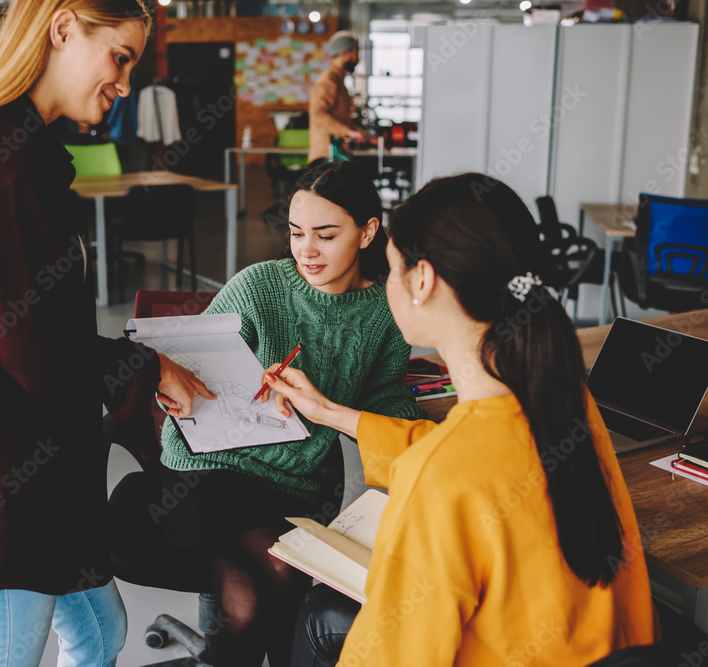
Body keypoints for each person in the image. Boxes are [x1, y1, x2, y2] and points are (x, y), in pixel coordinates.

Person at [0, 2, 215, 666]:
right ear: (63, 28)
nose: (125, 85)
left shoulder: (15, 146)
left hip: (35, 468)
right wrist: (147, 367)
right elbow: (34, 350)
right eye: (120, 57)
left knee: (100, 635)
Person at [264, 173, 659, 666]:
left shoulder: (443, 476)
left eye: (390, 269)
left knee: (320, 613)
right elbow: (474, 455)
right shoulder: (564, 397)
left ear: (422, 280)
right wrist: (329, 413)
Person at [157, 160, 423, 666]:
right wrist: (176, 392)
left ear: (367, 232)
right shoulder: (260, 286)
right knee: (283, 578)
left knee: (249, 604)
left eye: (326, 234)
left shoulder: (386, 309)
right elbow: (183, 371)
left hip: (290, 483)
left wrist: (417, 428)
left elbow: (384, 390)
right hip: (208, 470)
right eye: (297, 233)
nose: (307, 250)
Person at [307, 31, 369, 166]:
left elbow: (337, 117)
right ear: (347, 52)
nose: (358, 59)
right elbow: (318, 114)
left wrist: (355, 131)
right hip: (325, 156)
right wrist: (348, 131)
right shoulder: (328, 81)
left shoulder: (338, 80)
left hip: (336, 154)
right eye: (356, 53)